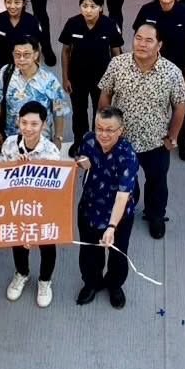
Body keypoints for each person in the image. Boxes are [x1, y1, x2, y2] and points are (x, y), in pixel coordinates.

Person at [98, 22, 185, 239]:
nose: (142, 44)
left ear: (159, 45)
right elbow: (105, 95)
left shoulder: (171, 72)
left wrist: (172, 137)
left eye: (149, 40)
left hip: (155, 142)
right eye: (138, 38)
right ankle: (124, 211)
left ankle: (155, 216)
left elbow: (180, 106)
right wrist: (106, 130)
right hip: (122, 141)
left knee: (157, 182)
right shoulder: (117, 64)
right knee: (124, 181)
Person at [130, 0, 185, 158]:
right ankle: (146, 137)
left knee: (180, 106)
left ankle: (182, 141)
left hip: (177, 70)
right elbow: (137, 38)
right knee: (147, 103)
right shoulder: (147, 11)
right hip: (149, 68)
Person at [0, 101, 64, 308]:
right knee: (18, 242)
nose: (28, 128)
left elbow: (54, 188)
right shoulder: (9, 144)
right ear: (18, 122)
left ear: (43, 125)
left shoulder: (51, 152)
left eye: (34, 124)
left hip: (42, 207)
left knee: (47, 245)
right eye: (24, 122)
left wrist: (32, 171)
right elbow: (2, 176)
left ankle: (45, 280)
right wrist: (15, 168)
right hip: (17, 206)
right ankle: (21, 273)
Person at [74, 107, 139, 309]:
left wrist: (111, 227)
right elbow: (79, 157)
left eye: (109, 130)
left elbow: (122, 196)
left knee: (118, 254)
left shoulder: (127, 155)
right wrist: (81, 162)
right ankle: (91, 283)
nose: (103, 134)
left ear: (120, 130)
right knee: (89, 252)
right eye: (99, 128)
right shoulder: (89, 140)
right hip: (89, 208)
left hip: (118, 216)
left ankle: (115, 285)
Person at [59, 0, 124, 151]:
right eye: (84, 6)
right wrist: (65, 77)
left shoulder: (110, 25)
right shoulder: (72, 23)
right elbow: (65, 51)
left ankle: (98, 143)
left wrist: (116, 79)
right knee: (79, 112)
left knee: (100, 112)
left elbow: (116, 54)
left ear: (100, 7)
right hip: (77, 78)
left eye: (93, 6)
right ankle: (79, 142)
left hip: (102, 80)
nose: (88, 10)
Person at [0, 38, 70, 150]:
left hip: (41, 142)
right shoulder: (5, 73)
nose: (21, 59)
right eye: (17, 55)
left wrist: (58, 137)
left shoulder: (49, 80)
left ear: (36, 55)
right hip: (13, 141)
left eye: (26, 54)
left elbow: (59, 111)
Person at [0, 0, 45, 80]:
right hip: (3, 67)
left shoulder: (32, 22)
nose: (12, 6)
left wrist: (35, 72)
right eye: (8, 2)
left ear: (24, 3)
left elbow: (36, 48)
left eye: (17, 2)